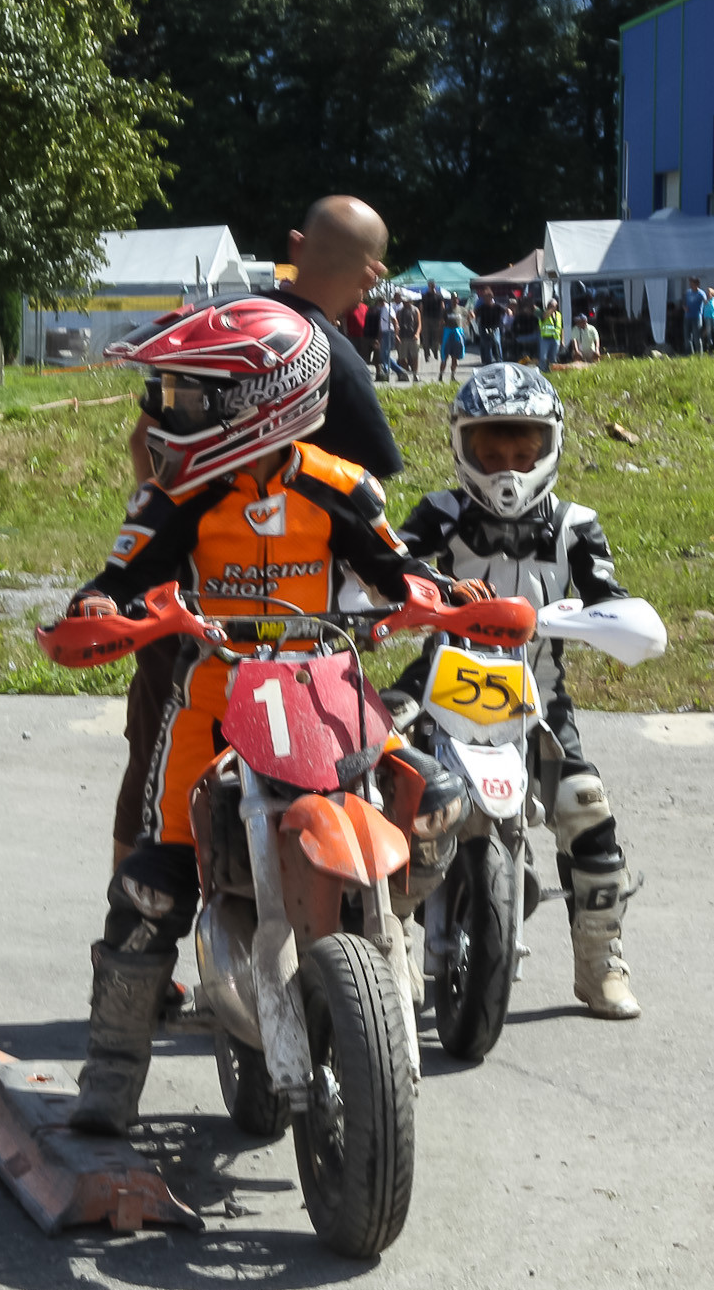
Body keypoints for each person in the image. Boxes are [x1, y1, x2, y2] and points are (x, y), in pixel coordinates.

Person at [62, 296, 482, 1135]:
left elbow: (394, 566)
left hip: (323, 685)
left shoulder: (338, 487)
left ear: (260, 402)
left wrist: (441, 596)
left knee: (436, 797)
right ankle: (111, 1074)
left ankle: (393, 926)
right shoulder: (178, 496)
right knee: (151, 885)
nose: (164, 411)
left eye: (186, 396)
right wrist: (98, 606)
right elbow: (121, 578)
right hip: (214, 697)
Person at [111, 196, 405, 871]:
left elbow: (143, 442)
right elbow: (364, 504)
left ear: (295, 245)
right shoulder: (327, 358)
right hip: (289, 624)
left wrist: (167, 533)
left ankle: (136, 925)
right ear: (374, 275)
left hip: (181, 607)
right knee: (326, 774)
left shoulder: (222, 325)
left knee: (156, 776)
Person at [383, 363, 643, 1019]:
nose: (507, 468)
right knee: (385, 779)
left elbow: (609, 595)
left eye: (523, 452)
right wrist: (421, 594)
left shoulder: (577, 524)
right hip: (444, 680)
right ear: (463, 446)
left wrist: (612, 619)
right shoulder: (442, 511)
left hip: (538, 694)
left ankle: (600, 960)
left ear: (550, 445)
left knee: (585, 806)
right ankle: (389, 942)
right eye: (491, 452)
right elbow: (390, 565)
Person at [474, 285, 506, 365]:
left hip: (495, 327)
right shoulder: (481, 306)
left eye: (488, 297)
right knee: (487, 345)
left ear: (491, 297)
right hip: (485, 327)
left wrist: (509, 311)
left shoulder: (497, 306)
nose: (486, 299)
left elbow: (505, 310)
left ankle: (499, 361)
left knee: (497, 343)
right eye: (485, 297)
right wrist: (472, 314)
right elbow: (475, 313)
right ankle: (488, 363)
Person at [440, 290, 467, 382]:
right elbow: (441, 322)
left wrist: (465, 324)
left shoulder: (461, 309)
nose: (454, 300)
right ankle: (441, 375)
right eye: (453, 299)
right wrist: (440, 336)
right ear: (450, 300)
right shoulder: (446, 310)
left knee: (455, 357)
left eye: (456, 299)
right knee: (445, 356)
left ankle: (453, 375)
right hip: (448, 333)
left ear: (458, 300)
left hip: (457, 334)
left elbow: (469, 315)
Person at [419, 281, 444, 368]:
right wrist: (421, 319)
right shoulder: (424, 296)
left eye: (433, 285)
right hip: (426, 319)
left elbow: (442, 307)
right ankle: (427, 355)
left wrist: (441, 318)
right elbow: (421, 308)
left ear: (435, 286)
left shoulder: (439, 296)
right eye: (430, 285)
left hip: (436, 319)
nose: (432, 287)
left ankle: (435, 351)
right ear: (428, 286)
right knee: (426, 338)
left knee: (435, 337)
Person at [395, 295, 419, 380]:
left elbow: (419, 324)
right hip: (403, 337)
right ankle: (404, 374)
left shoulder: (415, 310)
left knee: (414, 357)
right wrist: (397, 335)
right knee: (402, 357)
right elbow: (397, 324)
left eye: (406, 302)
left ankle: (415, 374)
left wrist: (417, 334)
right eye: (404, 302)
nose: (405, 303)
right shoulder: (399, 311)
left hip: (412, 336)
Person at [681, 277, 705, 354]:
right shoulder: (688, 292)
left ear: (697, 284)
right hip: (687, 316)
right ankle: (690, 353)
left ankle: (699, 353)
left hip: (697, 317)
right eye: (690, 283)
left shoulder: (701, 293)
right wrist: (684, 307)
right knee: (687, 336)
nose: (690, 285)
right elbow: (683, 302)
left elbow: (706, 302)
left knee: (697, 336)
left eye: (692, 283)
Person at [538, 298, 563, 370]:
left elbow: (561, 328)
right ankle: (542, 370)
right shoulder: (544, 313)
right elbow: (543, 318)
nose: (554, 307)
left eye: (555, 306)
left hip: (556, 338)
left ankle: (552, 371)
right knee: (543, 357)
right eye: (551, 306)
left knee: (553, 357)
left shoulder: (559, 315)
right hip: (545, 338)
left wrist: (562, 340)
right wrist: (550, 310)